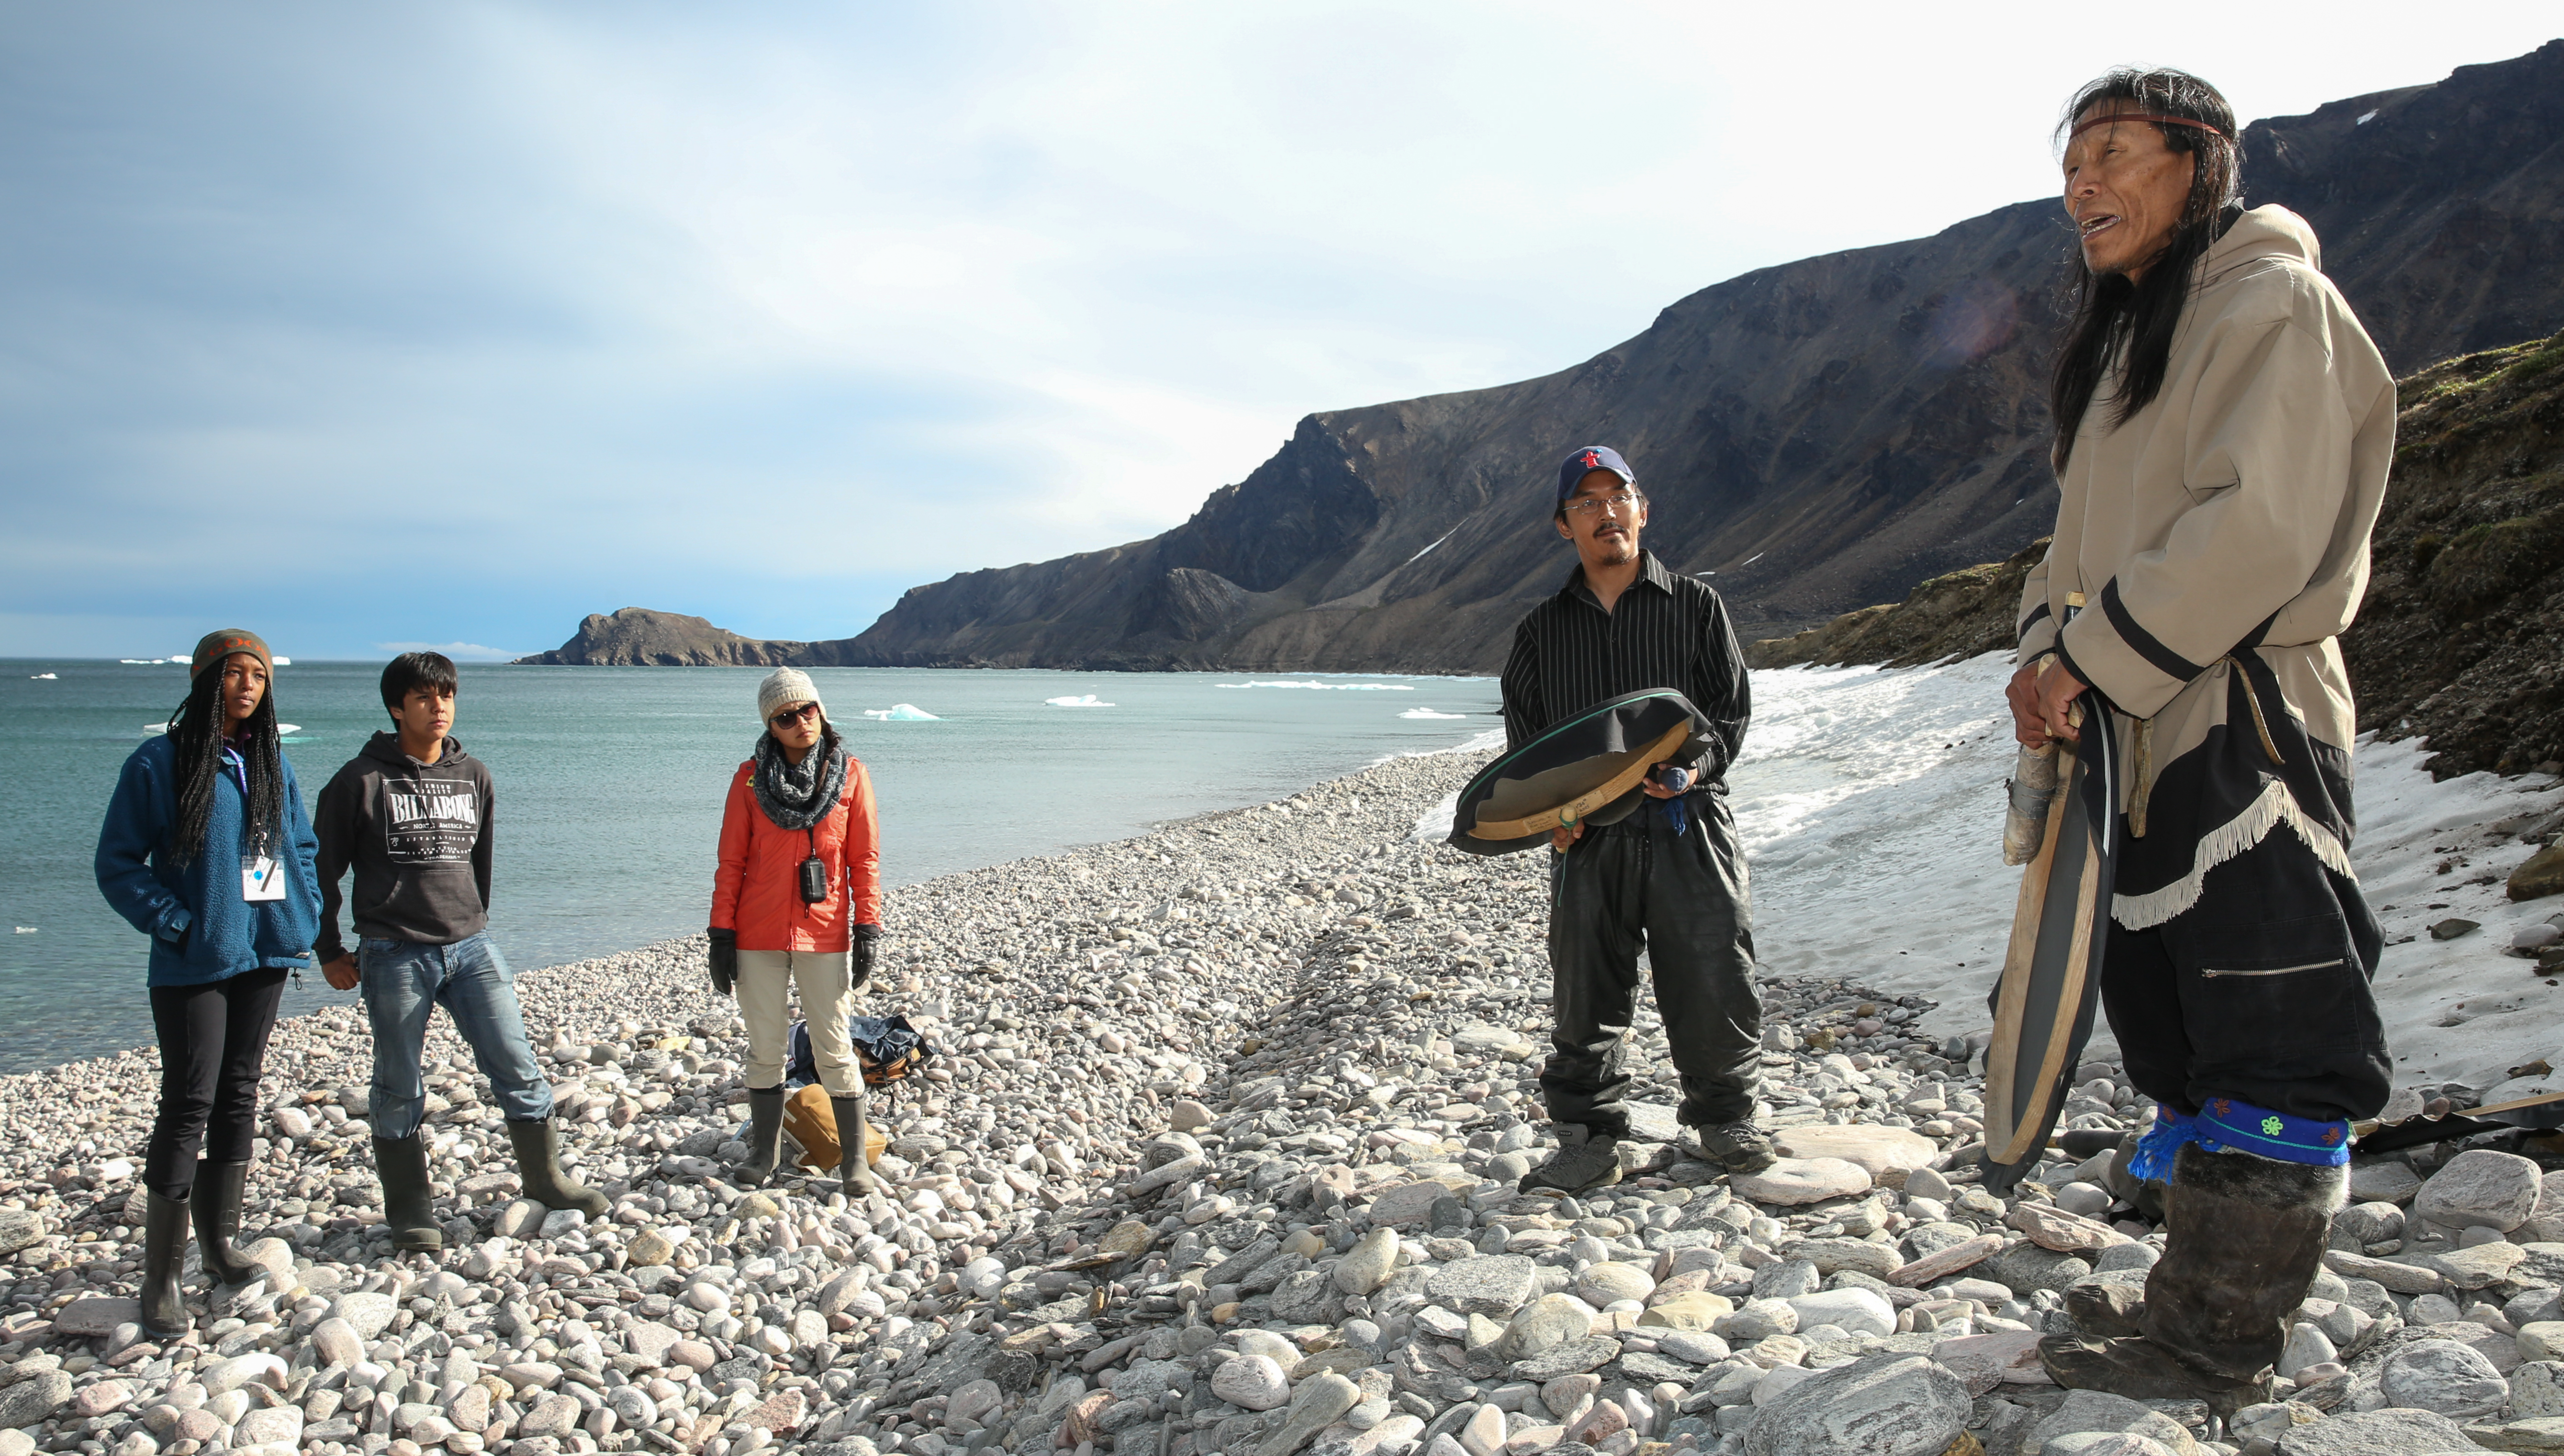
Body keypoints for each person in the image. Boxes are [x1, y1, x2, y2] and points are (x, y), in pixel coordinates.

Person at [2013, 70, 2394, 1412]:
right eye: (2072, 163)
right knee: (2174, 1027)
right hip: (2134, 727)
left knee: (2271, 1028)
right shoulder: (2135, 342)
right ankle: (2180, 1307)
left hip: (2244, 720)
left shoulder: (2269, 303)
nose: (2082, 184)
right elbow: (2069, 555)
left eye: (2115, 152)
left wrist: (2088, 656)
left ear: (2203, 162)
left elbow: (2259, 527)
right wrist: (2043, 659)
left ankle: (2215, 1346)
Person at [1501, 446, 1767, 1194]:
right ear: (1564, 526)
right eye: (1586, 503)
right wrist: (1548, 818)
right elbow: (1527, 746)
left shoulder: (1695, 605)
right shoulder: (1541, 631)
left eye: (1617, 497)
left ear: (1641, 511)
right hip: (1588, 837)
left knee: (1714, 971)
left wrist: (1693, 769)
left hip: (1689, 822)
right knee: (1584, 989)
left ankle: (1724, 1120)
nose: (1605, 513)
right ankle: (1589, 1139)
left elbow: (1729, 715)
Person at [314, 651, 605, 1252]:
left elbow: (481, 862)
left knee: (517, 1064)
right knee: (398, 1082)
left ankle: (546, 1180)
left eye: (446, 695)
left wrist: (474, 921)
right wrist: (328, 949)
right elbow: (319, 871)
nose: (438, 707)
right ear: (396, 708)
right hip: (394, 952)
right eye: (423, 697)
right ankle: (410, 1210)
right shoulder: (358, 781)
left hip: (471, 947)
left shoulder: (473, 774)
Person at [95, 629, 322, 1338]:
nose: (247, 685)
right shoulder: (158, 762)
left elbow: (301, 846)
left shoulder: (271, 762)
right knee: (189, 1100)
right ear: (203, 681)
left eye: (258, 674)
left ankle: (221, 1244)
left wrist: (305, 911)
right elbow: (118, 863)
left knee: (240, 1092)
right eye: (233, 673)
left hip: (267, 952)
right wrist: (174, 922)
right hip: (195, 958)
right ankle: (161, 1277)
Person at [707, 668, 884, 1195]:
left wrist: (868, 927)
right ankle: (763, 1153)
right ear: (770, 725)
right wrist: (720, 934)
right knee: (765, 1049)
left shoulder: (852, 774)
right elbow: (731, 862)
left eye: (808, 710)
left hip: (824, 932)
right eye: (786, 717)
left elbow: (864, 860)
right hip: (755, 934)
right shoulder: (748, 780)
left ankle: (853, 1161)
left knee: (833, 1047)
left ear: (820, 710)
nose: (801, 722)